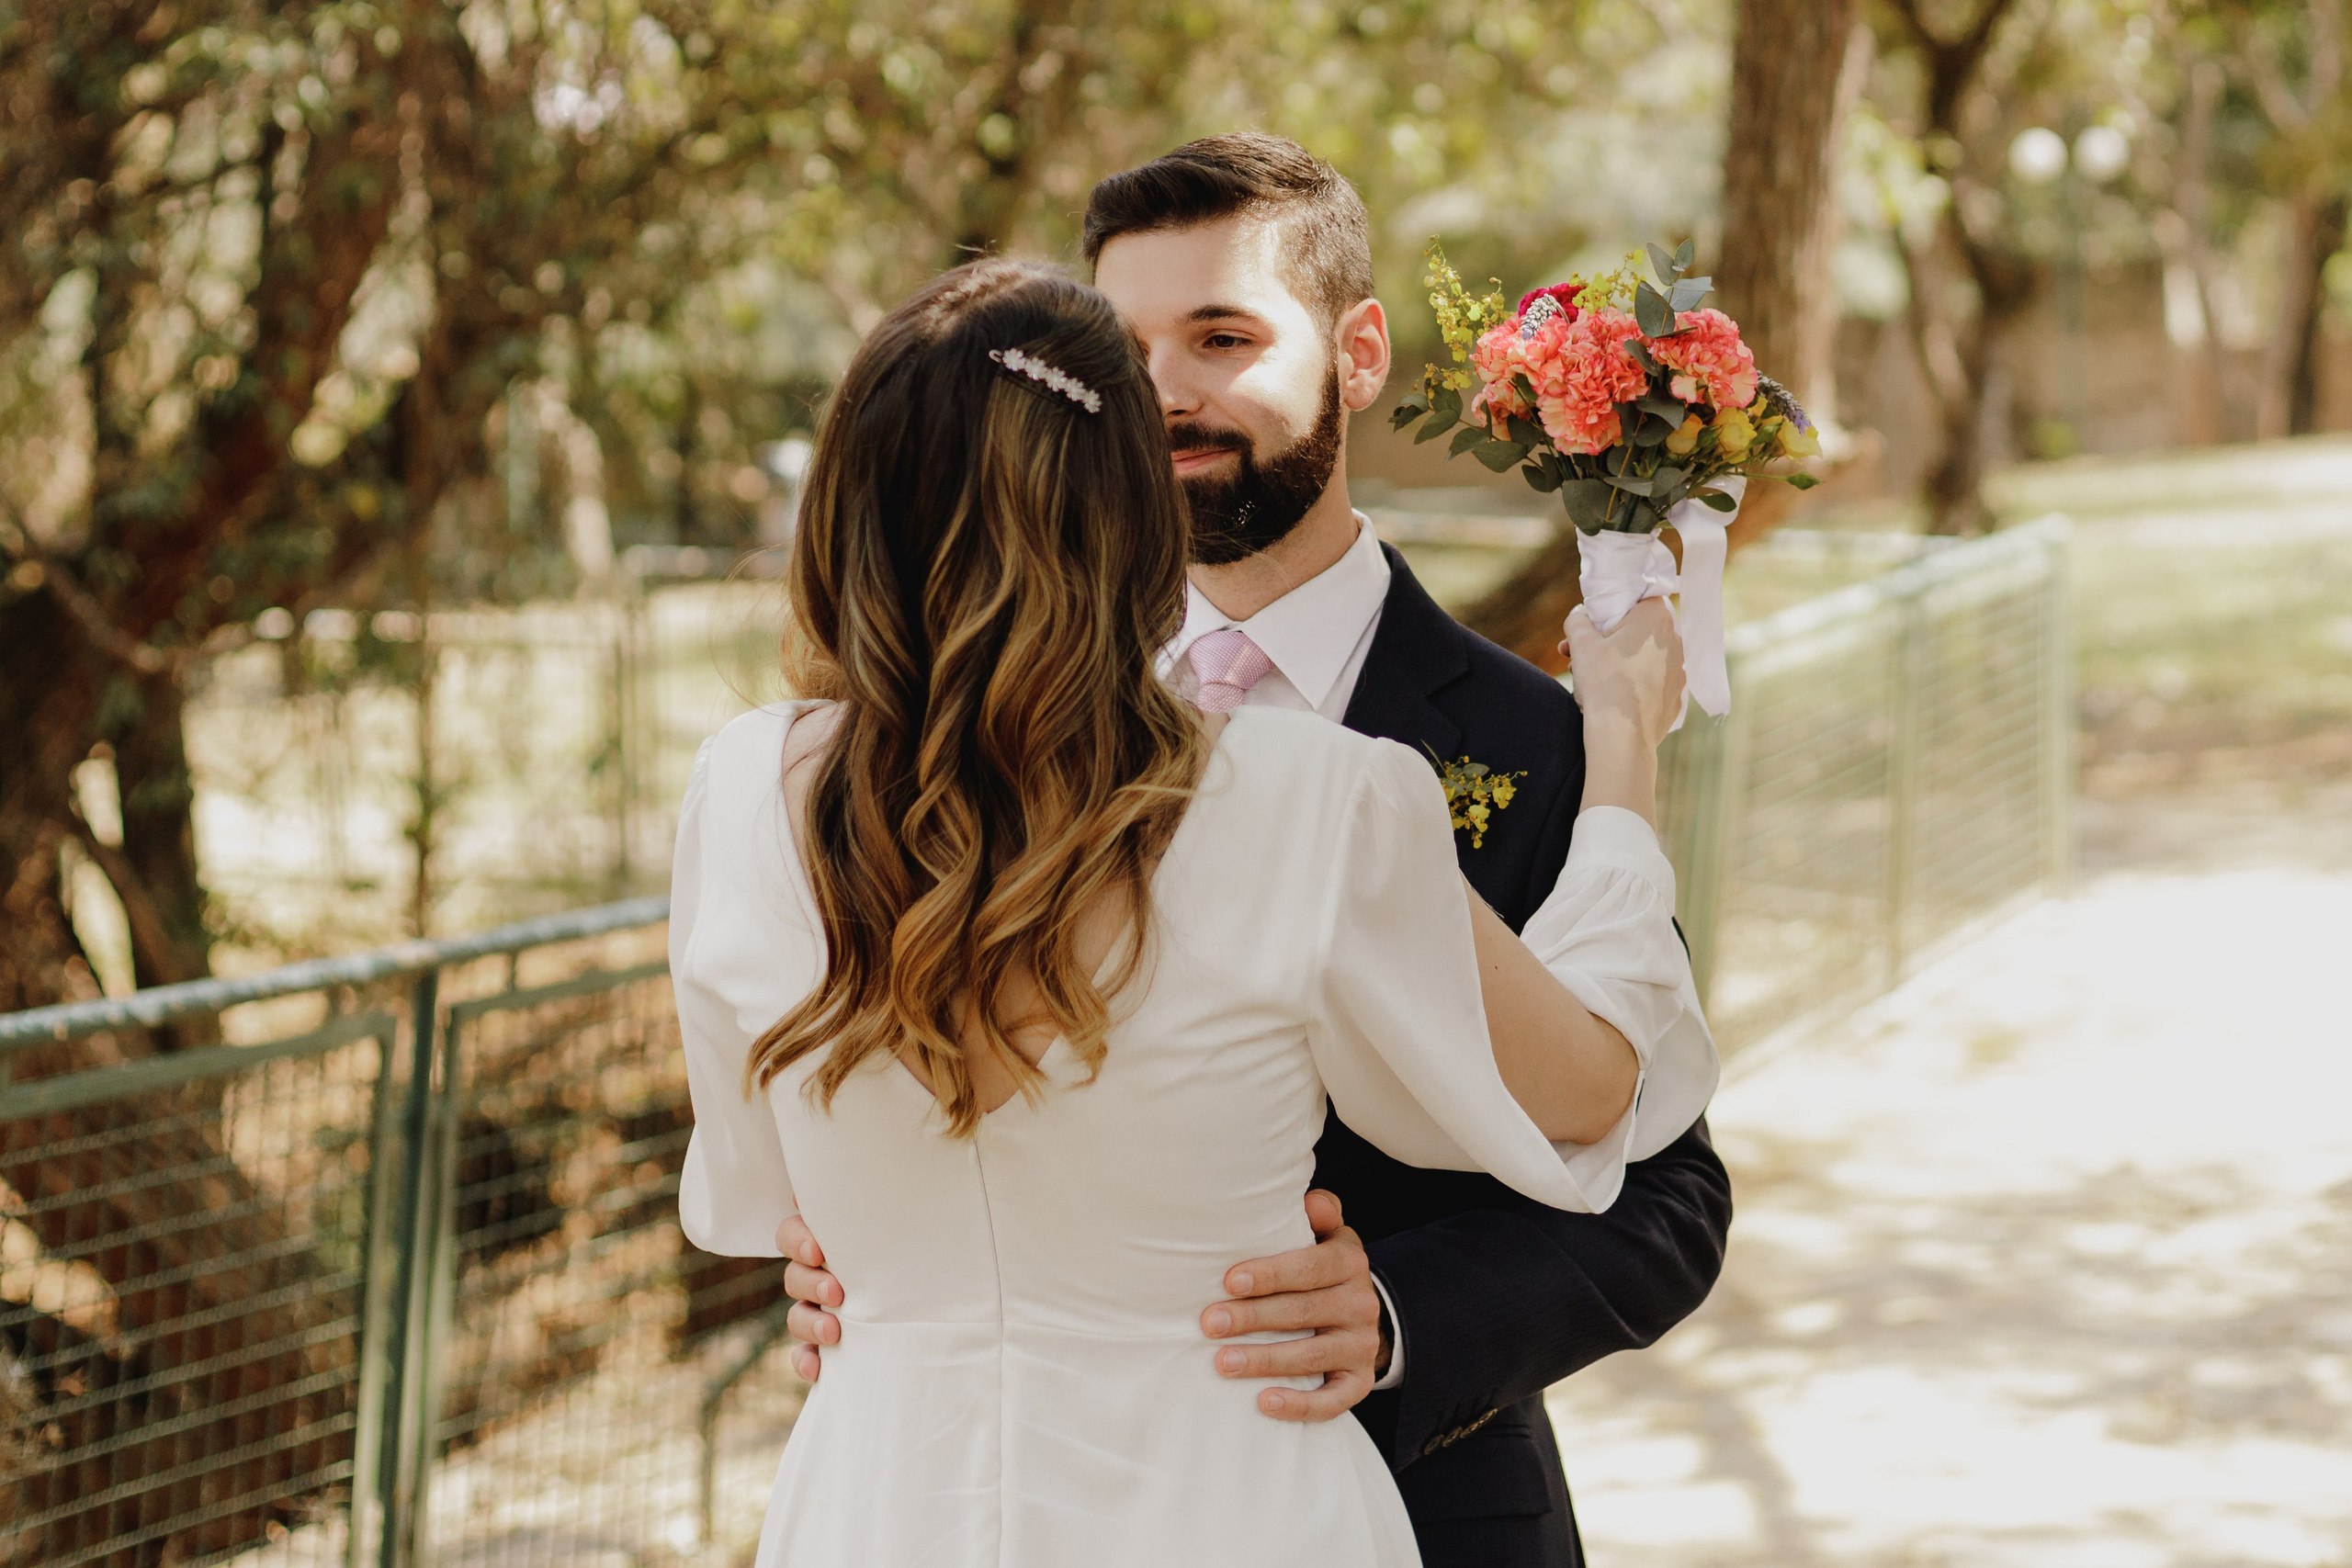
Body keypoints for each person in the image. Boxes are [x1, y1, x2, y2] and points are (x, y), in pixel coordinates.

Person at [773, 135, 1735, 1567]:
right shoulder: (936, 748)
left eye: (1221, 336)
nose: (1164, 392)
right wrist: (874, 1250)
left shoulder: (1536, 738)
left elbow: (1666, 1192)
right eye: (1125, 350)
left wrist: (1402, 1321)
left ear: (1356, 353)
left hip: (1420, 1505)